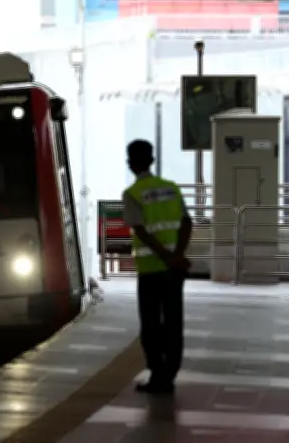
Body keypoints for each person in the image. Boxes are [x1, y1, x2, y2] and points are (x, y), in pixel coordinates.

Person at [122, 140, 193, 395]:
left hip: (151, 271)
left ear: (131, 163)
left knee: (151, 325)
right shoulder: (171, 189)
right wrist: (177, 255)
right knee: (174, 323)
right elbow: (187, 222)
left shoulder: (132, 193)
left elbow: (141, 231)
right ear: (151, 161)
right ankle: (169, 377)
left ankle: (157, 374)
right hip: (174, 271)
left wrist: (165, 256)